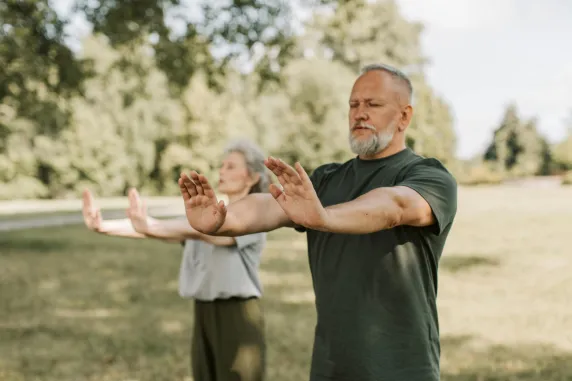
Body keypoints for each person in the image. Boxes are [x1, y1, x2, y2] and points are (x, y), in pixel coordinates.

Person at [178, 63, 458, 381]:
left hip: (403, 368)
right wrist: (220, 221)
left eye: (373, 104)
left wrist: (325, 218)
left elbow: (393, 206)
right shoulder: (327, 180)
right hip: (330, 367)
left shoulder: (430, 176)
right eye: (353, 105)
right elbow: (269, 206)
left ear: (404, 116)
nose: (359, 114)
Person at [82, 139, 271, 381]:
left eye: (231, 166)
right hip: (203, 309)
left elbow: (210, 234)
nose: (222, 171)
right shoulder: (206, 216)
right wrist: (103, 226)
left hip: (237, 313)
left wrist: (150, 224)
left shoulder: (256, 214)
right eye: (222, 165)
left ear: (253, 177)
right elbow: (167, 230)